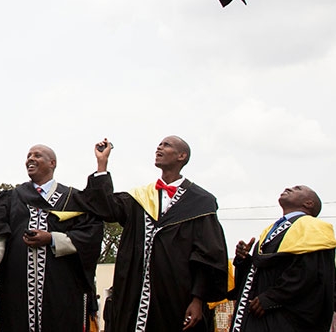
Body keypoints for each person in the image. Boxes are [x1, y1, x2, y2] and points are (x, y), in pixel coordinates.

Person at [78, 136, 228, 332]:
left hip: (176, 297)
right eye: (159, 144)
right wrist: (102, 164)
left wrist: (198, 299)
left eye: (166, 145)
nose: (159, 147)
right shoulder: (141, 198)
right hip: (134, 296)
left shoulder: (201, 203)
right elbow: (106, 208)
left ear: (181, 156)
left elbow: (208, 256)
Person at [0, 144, 103, 332]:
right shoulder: (11, 198)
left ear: (52, 163)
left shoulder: (72, 199)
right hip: (17, 286)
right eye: (28, 156)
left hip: (60, 286)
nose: (30, 159)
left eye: (37, 155)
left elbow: (90, 234)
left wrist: (52, 238)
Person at [229, 185, 336, 331]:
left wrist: (272, 298)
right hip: (261, 316)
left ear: (309, 203)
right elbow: (266, 272)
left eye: (298, 188)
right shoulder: (272, 230)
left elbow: (308, 271)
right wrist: (244, 260)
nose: (289, 188)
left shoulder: (313, 227)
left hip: (285, 319)